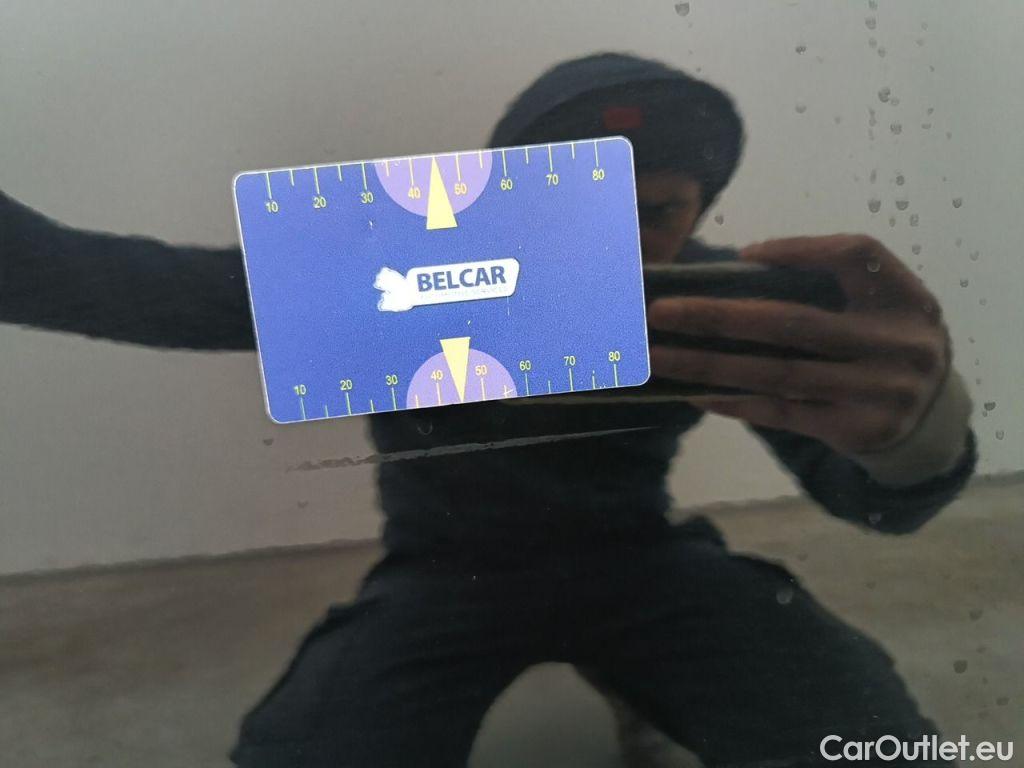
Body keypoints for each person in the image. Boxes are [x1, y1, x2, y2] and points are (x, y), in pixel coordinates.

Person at [1, 53, 975, 767]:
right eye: (574, 202)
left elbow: (873, 501)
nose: (612, 239)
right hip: (442, 578)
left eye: (653, 212)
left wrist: (914, 439)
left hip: (643, 564)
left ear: (697, 215)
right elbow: (125, 286)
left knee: (874, 743)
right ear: (500, 198)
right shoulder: (395, 285)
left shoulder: (709, 303)